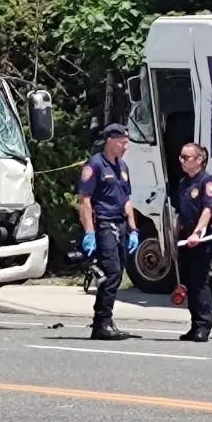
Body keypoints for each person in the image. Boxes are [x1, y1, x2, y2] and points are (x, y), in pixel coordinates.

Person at [78, 124, 140, 341]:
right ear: (110, 141)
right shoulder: (94, 165)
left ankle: (105, 320)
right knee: (111, 272)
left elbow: (127, 200)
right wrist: (89, 232)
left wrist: (133, 229)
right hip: (104, 225)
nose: (126, 147)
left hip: (121, 224)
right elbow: (85, 200)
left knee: (118, 272)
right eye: (122, 142)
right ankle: (102, 322)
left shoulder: (122, 166)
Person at [175, 142, 212, 342]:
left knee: (200, 283)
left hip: (202, 240)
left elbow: (208, 210)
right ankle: (194, 325)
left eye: (186, 157)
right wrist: (174, 239)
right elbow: (179, 214)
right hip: (184, 241)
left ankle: (203, 326)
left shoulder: (206, 182)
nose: (181, 161)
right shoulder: (184, 183)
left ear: (199, 160)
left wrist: (197, 233)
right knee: (188, 283)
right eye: (181, 157)